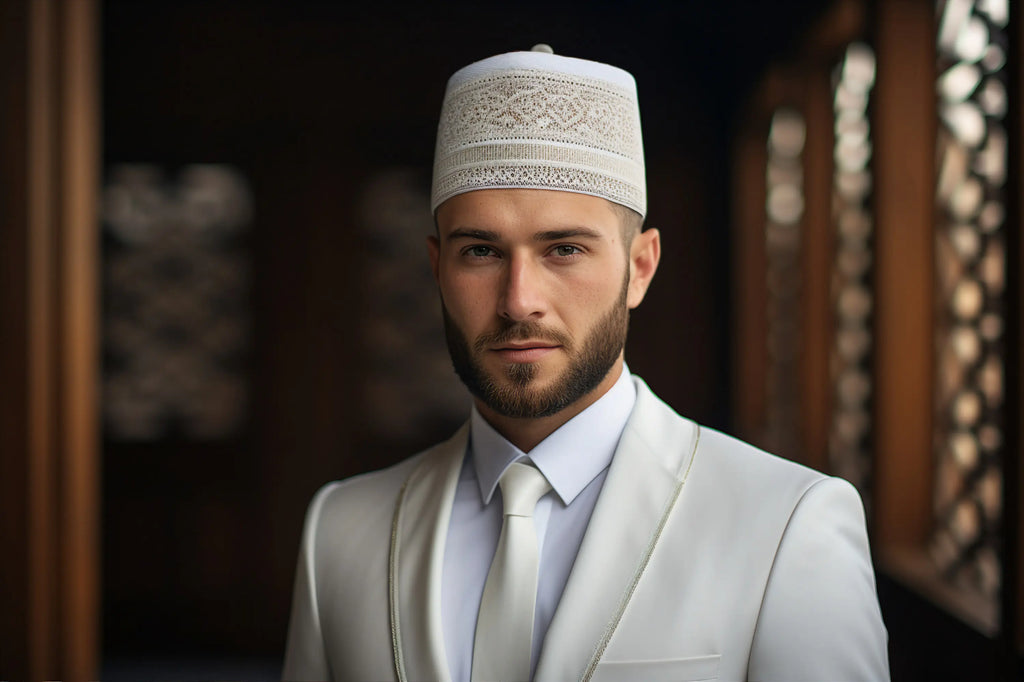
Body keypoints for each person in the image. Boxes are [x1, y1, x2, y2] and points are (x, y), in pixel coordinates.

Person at [282, 45, 889, 682]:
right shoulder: (341, 531)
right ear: (438, 268)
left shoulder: (787, 524)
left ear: (640, 268)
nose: (520, 300)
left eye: (564, 249)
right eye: (482, 252)